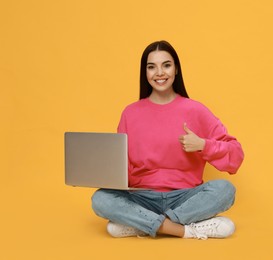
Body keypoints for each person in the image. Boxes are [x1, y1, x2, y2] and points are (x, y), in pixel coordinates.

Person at [91, 40, 244, 239]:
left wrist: (203, 145)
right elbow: (122, 168)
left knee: (225, 189)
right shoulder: (130, 113)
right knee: (101, 199)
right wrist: (105, 174)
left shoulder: (196, 110)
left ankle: (142, 224)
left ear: (176, 69)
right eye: (151, 67)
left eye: (166, 65)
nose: (159, 73)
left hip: (185, 196)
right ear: (144, 73)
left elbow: (236, 155)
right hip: (142, 196)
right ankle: (186, 230)